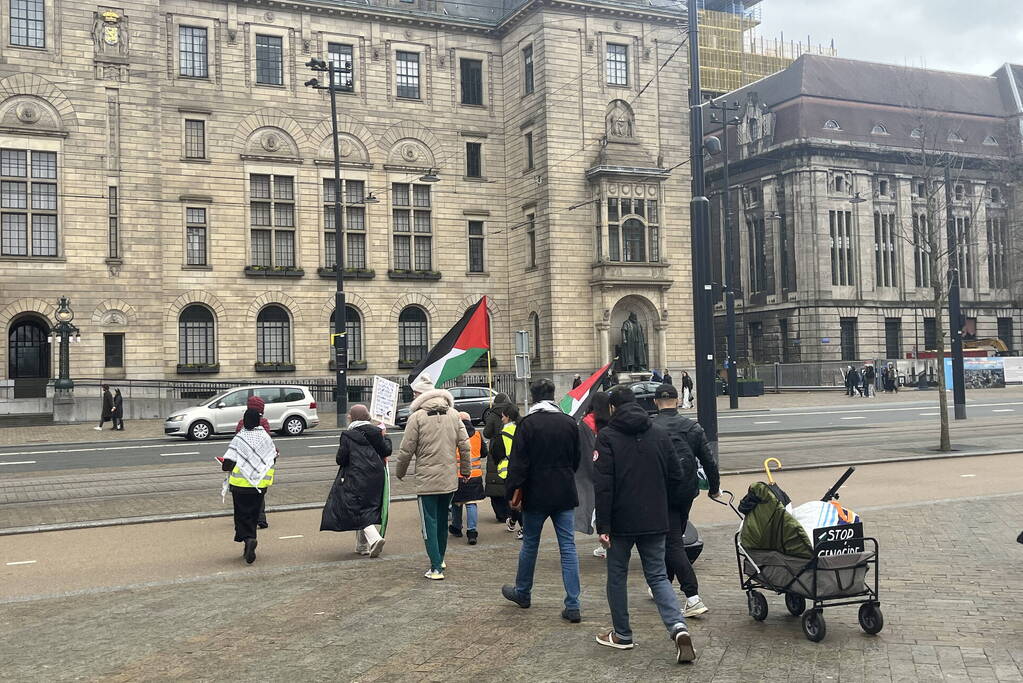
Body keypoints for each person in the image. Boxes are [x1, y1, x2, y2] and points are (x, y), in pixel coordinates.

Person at [593, 386, 695, 663]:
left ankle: (622, 634)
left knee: (617, 576)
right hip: (655, 517)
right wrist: (663, 503)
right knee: (658, 575)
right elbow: (677, 474)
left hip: (620, 520)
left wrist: (603, 525)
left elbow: (603, 485)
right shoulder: (658, 433)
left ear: (612, 408)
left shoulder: (607, 437)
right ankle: (678, 627)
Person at [501, 378, 583, 624]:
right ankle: (573, 604)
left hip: (535, 492)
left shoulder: (527, 424)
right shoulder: (569, 422)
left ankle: (523, 592)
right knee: (568, 547)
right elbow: (576, 459)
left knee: (530, 544)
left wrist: (511, 493)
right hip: (564, 491)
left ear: (533, 396)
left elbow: (518, 464)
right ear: (553, 394)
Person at [651, 383, 721, 618]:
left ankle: (693, 597)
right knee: (673, 537)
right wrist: (714, 489)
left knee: (672, 543)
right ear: (678, 401)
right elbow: (709, 462)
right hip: (686, 492)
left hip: (661, 493)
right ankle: (662, 584)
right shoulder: (692, 427)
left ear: (655, 402)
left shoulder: (651, 427)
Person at [395, 373, 471, 580]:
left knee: (429, 523)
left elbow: (406, 449)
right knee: (442, 520)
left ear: (420, 395)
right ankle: (441, 558)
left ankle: (436, 567)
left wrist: (400, 472)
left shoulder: (416, 417)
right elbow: (465, 446)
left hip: (427, 481)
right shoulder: (454, 414)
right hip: (448, 479)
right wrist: (465, 471)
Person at [320, 404, 391, 558]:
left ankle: (374, 538)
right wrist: (385, 436)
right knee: (367, 506)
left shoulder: (348, 435)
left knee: (355, 507)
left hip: (356, 476)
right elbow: (386, 450)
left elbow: (341, 459)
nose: (347, 416)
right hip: (376, 475)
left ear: (353, 417)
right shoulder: (376, 432)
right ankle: (362, 546)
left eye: (349, 415)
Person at [221, 408, 278, 564]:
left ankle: (248, 539)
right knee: (254, 513)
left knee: (241, 514)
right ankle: (251, 539)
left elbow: (228, 462)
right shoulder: (265, 438)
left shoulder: (240, 438)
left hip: (240, 485)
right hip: (260, 484)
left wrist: (225, 466)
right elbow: (272, 458)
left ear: (244, 421)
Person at [575, 391, 612, 559]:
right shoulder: (613, 422)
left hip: (591, 472)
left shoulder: (585, 424)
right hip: (610, 472)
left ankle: (604, 542)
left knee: (595, 507)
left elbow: (583, 452)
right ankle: (609, 542)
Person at [450, 411, 487, 545]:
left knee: (456, 502)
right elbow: (484, 453)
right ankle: (472, 532)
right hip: (474, 475)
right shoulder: (477, 434)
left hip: (457, 475)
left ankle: (456, 527)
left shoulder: (453, 434)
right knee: (471, 503)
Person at [236, 396, 272, 529]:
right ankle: (261, 518)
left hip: (245, 463)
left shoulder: (242, 423)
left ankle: (247, 518)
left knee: (245, 493)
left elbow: (237, 439)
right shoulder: (264, 423)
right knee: (259, 492)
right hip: (260, 463)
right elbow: (267, 440)